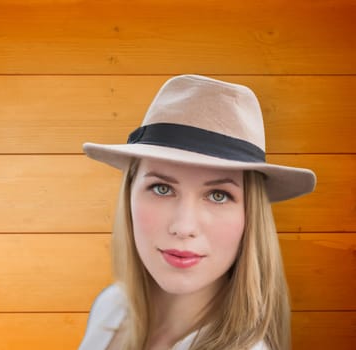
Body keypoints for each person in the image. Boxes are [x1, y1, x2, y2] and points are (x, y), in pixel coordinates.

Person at [78, 75, 316, 350]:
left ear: (250, 217)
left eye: (218, 195)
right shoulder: (111, 307)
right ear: (129, 194)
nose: (184, 226)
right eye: (162, 189)